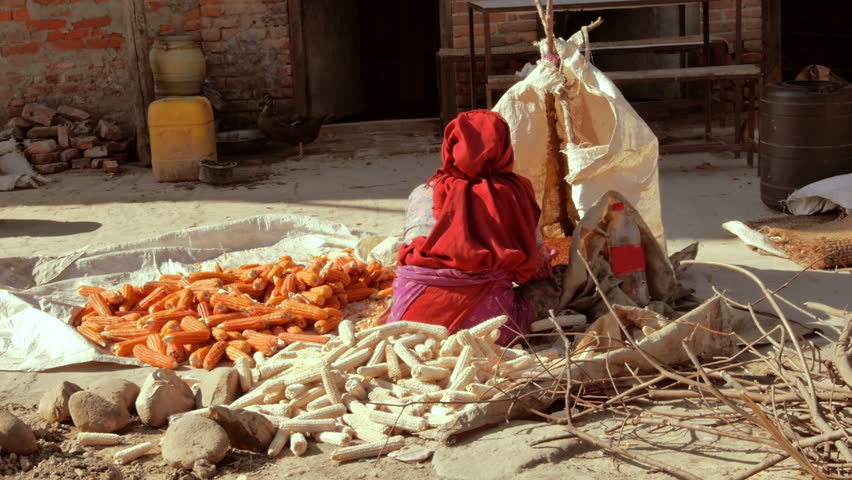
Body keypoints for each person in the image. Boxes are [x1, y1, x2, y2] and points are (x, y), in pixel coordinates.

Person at [388, 110, 553, 345]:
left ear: (451, 146)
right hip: (488, 328)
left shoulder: (423, 192)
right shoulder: (516, 193)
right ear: (504, 146)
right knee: (550, 288)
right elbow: (535, 266)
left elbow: (412, 250)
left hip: (410, 321)